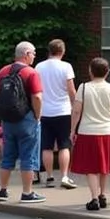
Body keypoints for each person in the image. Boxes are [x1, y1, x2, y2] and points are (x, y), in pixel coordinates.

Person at [0, 41, 45, 202]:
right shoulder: (31, 73)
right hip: (27, 118)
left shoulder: (3, 71)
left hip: (7, 119)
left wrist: (1, 114)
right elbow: (36, 96)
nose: (34, 56)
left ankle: (3, 191)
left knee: (7, 156)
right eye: (33, 53)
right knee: (28, 156)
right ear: (26, 54)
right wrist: (37, 115)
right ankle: (27, 192)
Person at [70, 57, 110, 211]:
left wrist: (73, 130)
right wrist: (107, 117)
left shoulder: (84, 88)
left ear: (91, 71)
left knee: (91, 167)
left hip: (87, 131)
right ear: (107, 72)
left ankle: (94, 198)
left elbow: (77, 110)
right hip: (107, 131)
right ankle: (102, 194)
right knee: (104, 166)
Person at [35, 38, 77, 190]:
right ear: (62, 51)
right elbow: (71, 90)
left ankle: (49, 176)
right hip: (63, 110)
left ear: (49, 50)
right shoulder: (66, 67)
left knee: (46, 146)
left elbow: (36, 89)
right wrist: (75, 105)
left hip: (45, 111)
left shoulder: (39, 66)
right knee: (64, 145)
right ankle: (65, 176)